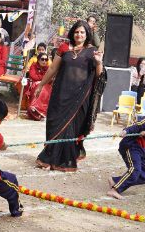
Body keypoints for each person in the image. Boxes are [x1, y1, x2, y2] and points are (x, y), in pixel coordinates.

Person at [35, 20, 106, 172]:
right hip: (60, 94)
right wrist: (41, 85)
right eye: (76, 32)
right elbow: (53, 68)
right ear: (72, 33)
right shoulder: (64, 48)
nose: (79, 35)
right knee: (55, 125)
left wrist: (99, 62)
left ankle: (65, 160)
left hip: (80, 98)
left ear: (87, 35)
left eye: (82, 32)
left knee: (72, 128)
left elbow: (99, 75)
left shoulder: (92, 51)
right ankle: (49, 158)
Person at [23, 49, 52, 121]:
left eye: (46, 59)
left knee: (45, 90)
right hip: (34, 85)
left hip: (46, 86)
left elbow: (50, 78)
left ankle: (40, 111)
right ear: (38, 60)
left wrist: (41, 80)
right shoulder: (33, 66)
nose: (44, 61)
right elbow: (33, 76)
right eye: (42, 59)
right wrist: (44, 79)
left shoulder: (48, 68)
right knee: (40, 89)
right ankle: (35, 108)